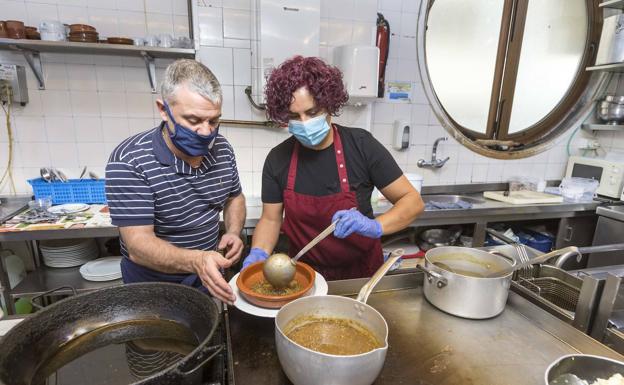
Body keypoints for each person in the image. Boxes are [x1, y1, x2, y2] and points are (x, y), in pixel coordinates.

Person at [241, 56, 424, 280]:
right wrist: (259, 252)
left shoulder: (361, 145)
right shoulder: (278, 159)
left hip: (362, 272)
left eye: (312, 112)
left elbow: (412, 202)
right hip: (304, 275)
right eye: (294, 116)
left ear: (328, 104)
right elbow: (270, 219)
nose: (304, 122)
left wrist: (375, 226)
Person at [105, 59, 245, 304]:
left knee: (211, 337)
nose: (206, 132)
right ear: (163, 109)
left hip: (206, 276)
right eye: (193, 120)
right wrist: (197, 260)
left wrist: (233, 232)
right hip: (152, 285)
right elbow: (139, 246)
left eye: (213, 121)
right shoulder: (129, 160)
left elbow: (234, 197)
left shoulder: (222, 149)